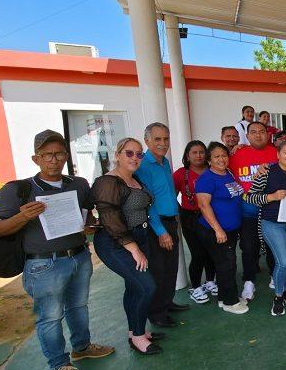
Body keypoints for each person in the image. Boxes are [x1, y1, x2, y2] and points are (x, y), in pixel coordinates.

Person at [0, 130, 113, 370]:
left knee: (79, 306)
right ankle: (60, 364)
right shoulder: (18, 190)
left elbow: (87, 213)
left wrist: (88, 225)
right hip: (43, 264)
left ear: (66, 156)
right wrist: (22, 216)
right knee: (50, 316)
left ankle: (82, 347)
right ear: (36, 159)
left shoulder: (78, 184)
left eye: (58, 154)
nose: (54, 160)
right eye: (47, 155)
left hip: (79, 256)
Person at [92, 137, 161, 356]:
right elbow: (110, 218)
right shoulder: (107, 182)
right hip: (116, 243)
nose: (135, 158)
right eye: (129, 153)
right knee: (146, 286)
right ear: (117, 155)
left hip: (139, 237)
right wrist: (134, 248)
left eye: (139, 154)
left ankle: (135, 331)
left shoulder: (134, 178)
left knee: (133, 286)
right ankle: (138, 337)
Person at [135, 122, 186, 328]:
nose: (163, 143)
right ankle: (156, 313)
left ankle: (167, 303)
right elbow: (147, 203)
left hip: (170, 221)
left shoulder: (165, 162)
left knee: (171, 267)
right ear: (147, 141)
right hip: (157, 225)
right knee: (158, 270)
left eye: (166, 139)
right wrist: (161, 231)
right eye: (157, 139)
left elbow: (168, 193)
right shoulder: (143, 166)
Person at [243, 141, 286, 316]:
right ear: (278, 154)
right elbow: (249, 197)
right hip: (272, 223)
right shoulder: (267, 172)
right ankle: (278, 296)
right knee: (283, 261)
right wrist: (272, 197)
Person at [195, 142, 249, 315]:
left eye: (224, 155)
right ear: (209, 160)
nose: (221, 159)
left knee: (225, 264)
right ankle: (230, 302)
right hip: (215, 231)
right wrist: (218, 229)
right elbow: (204, 206)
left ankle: (223, 298)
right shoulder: (207, 178)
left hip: (231, 230)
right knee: (227, 264)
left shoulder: (228, 173)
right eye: (216, 156)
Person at [228, 121, 278, 300]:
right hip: (247, 211)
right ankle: (249, 281)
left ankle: (275, 275)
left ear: (268, 134)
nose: (258, 135)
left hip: (271, 210)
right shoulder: (236, 154)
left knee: (273, 246)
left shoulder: (276, 152)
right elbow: (227, 176)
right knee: (249, 247)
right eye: (254, 132)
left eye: (262, 131)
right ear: (247, 136)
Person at [172, 140, 216, 304]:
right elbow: (171, 195)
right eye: (194, 153)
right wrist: (180, 210)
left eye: (201, 152)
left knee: (211, 251)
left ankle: (210, 281)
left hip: (211, 216)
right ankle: (196, 287)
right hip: (190, 217)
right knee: (198, 254)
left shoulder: (213, 170)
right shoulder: (180, 174)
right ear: (187, 155)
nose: (198, 156)